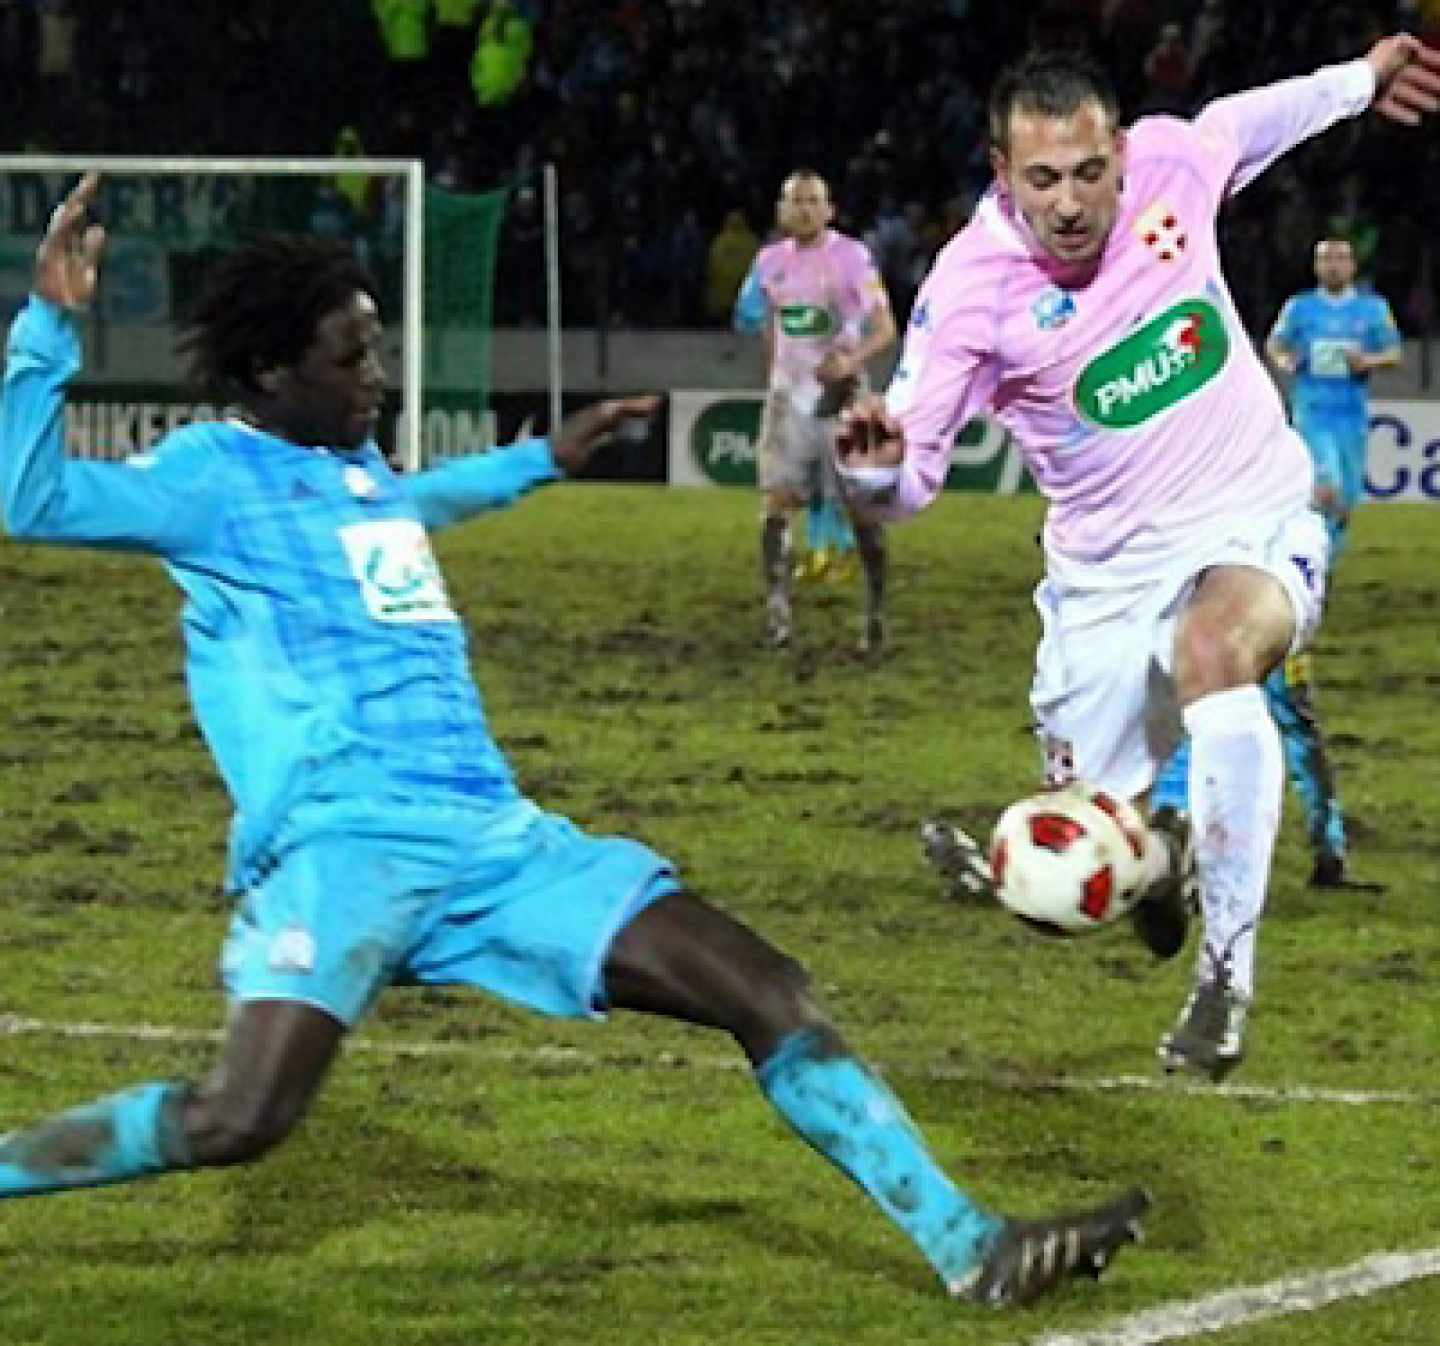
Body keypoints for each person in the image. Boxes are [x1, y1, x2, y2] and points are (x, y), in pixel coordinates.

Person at [0, 172, 1150, 1308]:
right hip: (342, 849)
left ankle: (969, 1241)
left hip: (498, 843)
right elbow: (28, 495)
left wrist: (539, 461)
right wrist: (51, 322)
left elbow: (412, 507)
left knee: (766, 987)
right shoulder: (206, 477)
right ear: (267, 371)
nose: (380, 374)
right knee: (237, 1119)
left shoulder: (352, 473)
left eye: (376, 347)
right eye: (351, 357)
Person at [839, 38, 1440, 1081]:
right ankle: (1160, 863)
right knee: (1067, 873)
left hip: (1253, 512)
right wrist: (875, 471)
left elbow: (1253, 119)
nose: (1070, 203)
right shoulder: (970, 292)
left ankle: (1226, 974)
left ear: (1119, 152)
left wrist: (1359, 79)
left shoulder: (1173, 163)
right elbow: (910, 485)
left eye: (1088, 172)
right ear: (1002, 174)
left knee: (1214, 650)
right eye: (1042, 180)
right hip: (1103, 581)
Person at [1153, 237, 1401, 888]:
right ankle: (1308, 853)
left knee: (1208, 720)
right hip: (1251, 596)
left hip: (1238, 592)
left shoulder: (1206, 409)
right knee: (1272, 717)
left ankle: (1176, 858)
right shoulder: (1243, 398)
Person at [736, 169, 897, 653]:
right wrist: (776, 380)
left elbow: (885, 327)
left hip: (843, 399)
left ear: (830, 209)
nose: (802, 209)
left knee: (865, 512)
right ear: (781, 210)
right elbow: (764, 325)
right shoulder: (768, 263)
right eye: (793, 201)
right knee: (774, 507)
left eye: (812, 201)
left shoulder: (853, 258)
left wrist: (852, 359)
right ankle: (777, 615)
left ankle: (875, 614)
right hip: (789, 401)